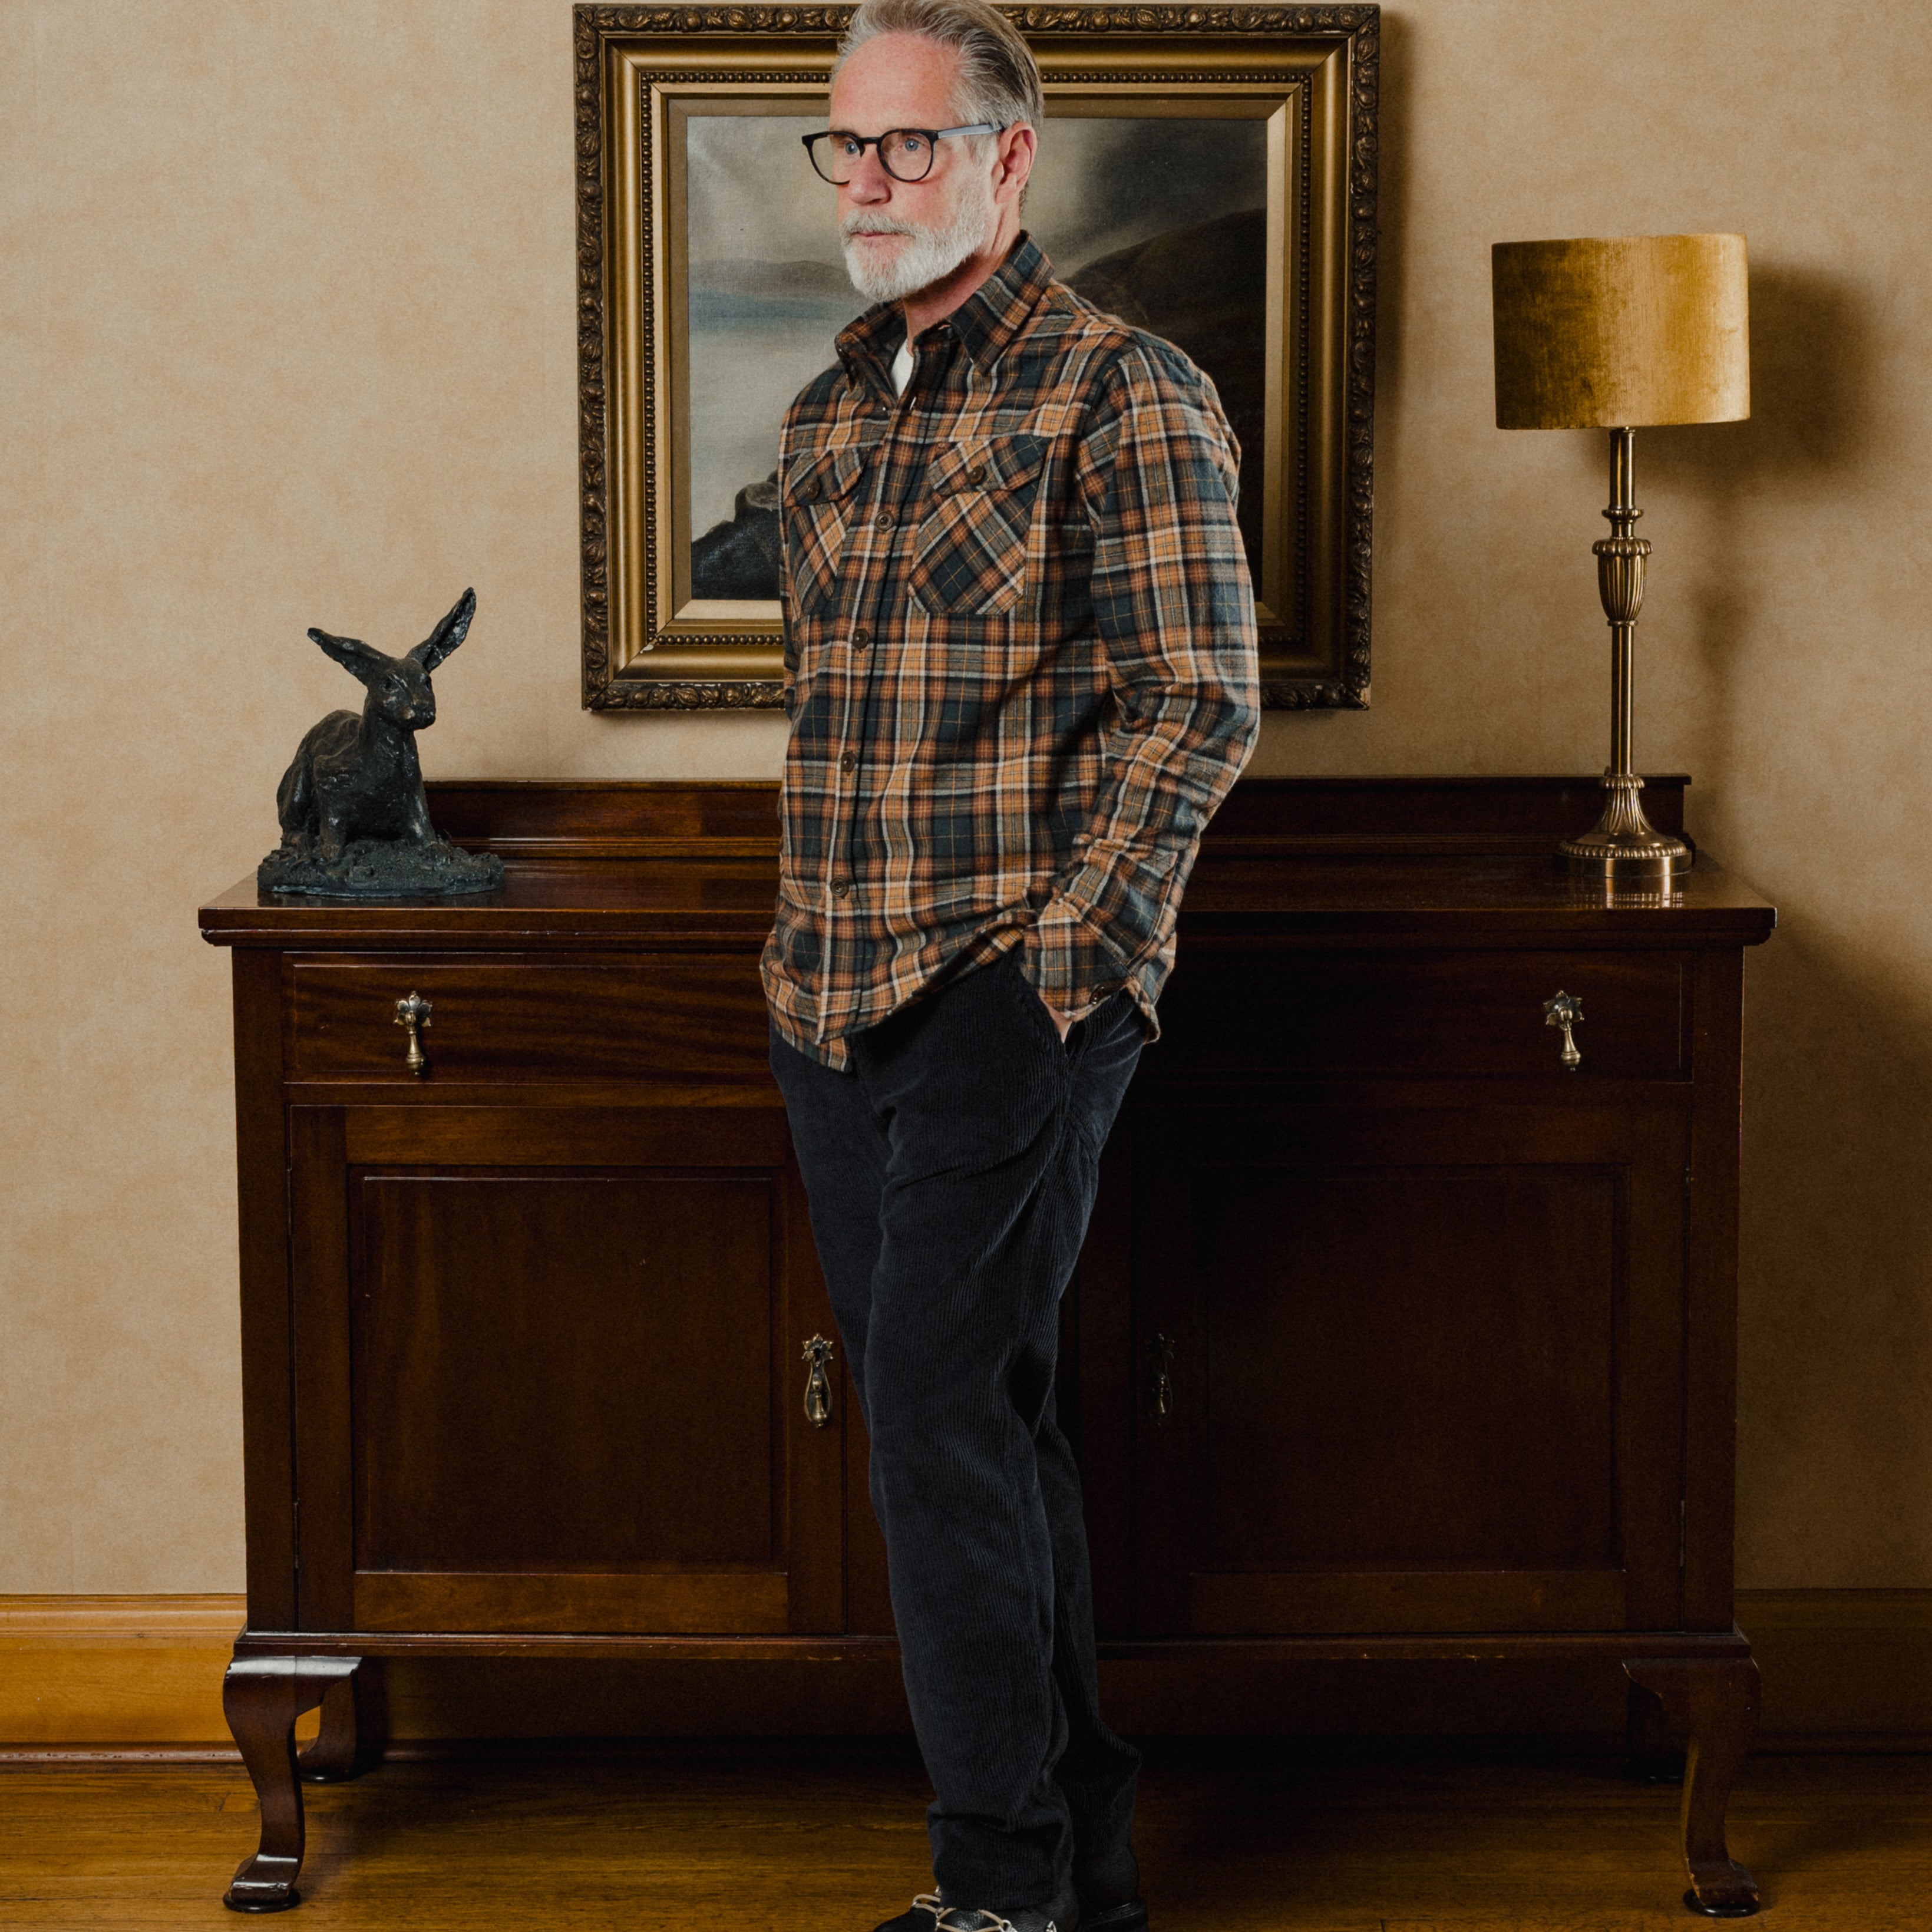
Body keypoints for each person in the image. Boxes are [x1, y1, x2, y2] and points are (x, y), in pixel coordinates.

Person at [762, 2, 1260, 1926]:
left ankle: (994, 1893)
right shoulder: (825, 414)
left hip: (1011, 995)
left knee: (934, 1427)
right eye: (848, 148)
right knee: (992, 1417)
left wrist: (1069, 969)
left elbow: (1195, 704)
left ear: (1007, 158)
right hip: (826, 999)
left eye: (909, 144)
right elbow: (838, 713)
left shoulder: (1121, 391)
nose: (871, 181)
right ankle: (1084, 1873)